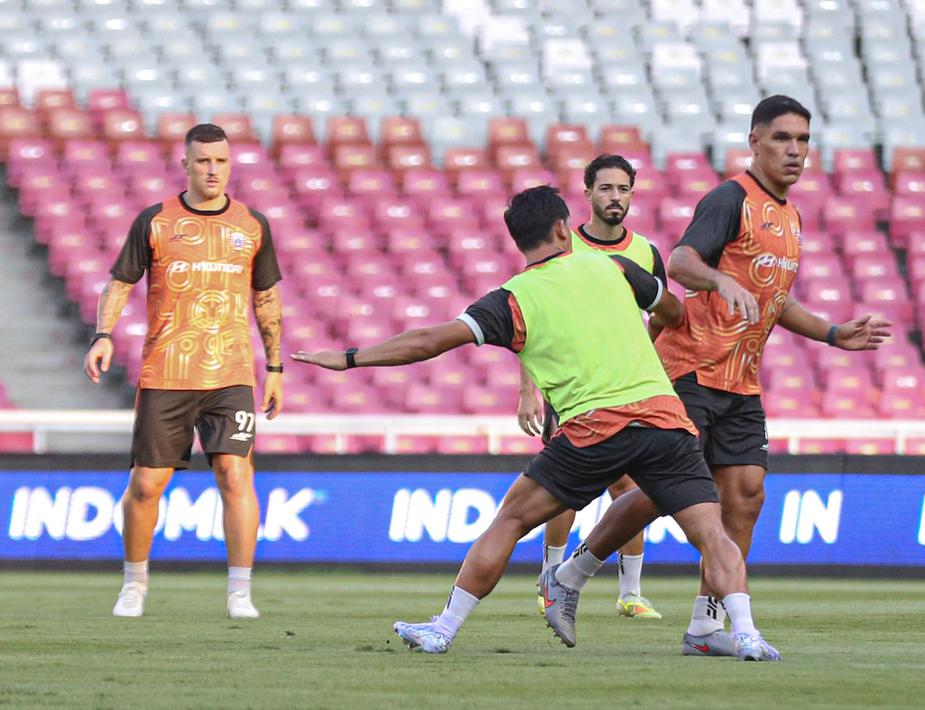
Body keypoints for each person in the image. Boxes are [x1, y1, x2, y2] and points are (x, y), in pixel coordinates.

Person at [292, 186, 780, 660]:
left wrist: (351, 358)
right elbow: (672, 310)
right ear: (565, 229)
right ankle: (748, 635)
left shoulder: (512, 299)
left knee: (511, 520)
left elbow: (429, 339)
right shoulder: (614, 266)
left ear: (519, 240)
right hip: (664, 422)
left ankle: (443, 630)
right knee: (713, 534)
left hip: (593, 431)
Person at [653, 95, 891, 656]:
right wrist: (717, 281)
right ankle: (577, 570)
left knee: (746, 497)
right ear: (754, 141)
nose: (795, 150)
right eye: (783, 138)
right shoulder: (729, 198)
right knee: (661, 492)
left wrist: (833, 333)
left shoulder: (790, 217)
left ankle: (707, 628)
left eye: (804, 140)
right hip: (691, 367)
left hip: (741, 381)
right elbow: (680, 264)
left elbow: (775, 301)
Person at [83, 123, 284, 620]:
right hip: (166, 373)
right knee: (147, 484)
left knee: (236, 475)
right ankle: (134, 582)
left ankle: (240, 592)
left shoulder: (252, 225)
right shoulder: (154, 221)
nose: (212, 170)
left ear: (230, 164)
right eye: (203, 161)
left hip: (231, 373)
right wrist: (102, 334)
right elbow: (119, 282)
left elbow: (267, 298)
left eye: (220, 161)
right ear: (186, 165)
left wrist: (275, 366)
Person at [517, 154, 666, 620]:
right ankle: (552, 579)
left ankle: (631, 591)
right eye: (606, 189)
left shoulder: (646, 251)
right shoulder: (565, 247)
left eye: (623, 189)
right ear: (587, 194)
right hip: (573, 387)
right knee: (564, 490)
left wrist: (640, 354)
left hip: (627, 388)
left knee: (633, 486)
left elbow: (663, 314)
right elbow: (529, 315)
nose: (615, 197)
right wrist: (528, 388)